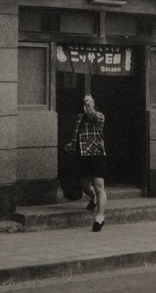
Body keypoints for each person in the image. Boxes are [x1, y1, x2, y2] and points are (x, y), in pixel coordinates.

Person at [64, 94, 107, 232]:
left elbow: (92, 115)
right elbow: (77, 134)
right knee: (85, 185)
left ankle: (100, 217)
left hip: (96, 155)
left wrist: (88, 105)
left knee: (99, 187)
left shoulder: (99, 116)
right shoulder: (80, 117)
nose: (86, 104)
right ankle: (93, 198)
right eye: (85, 102)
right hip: (82, 155)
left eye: (89, 101)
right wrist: (72, 145)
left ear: (95, 104)